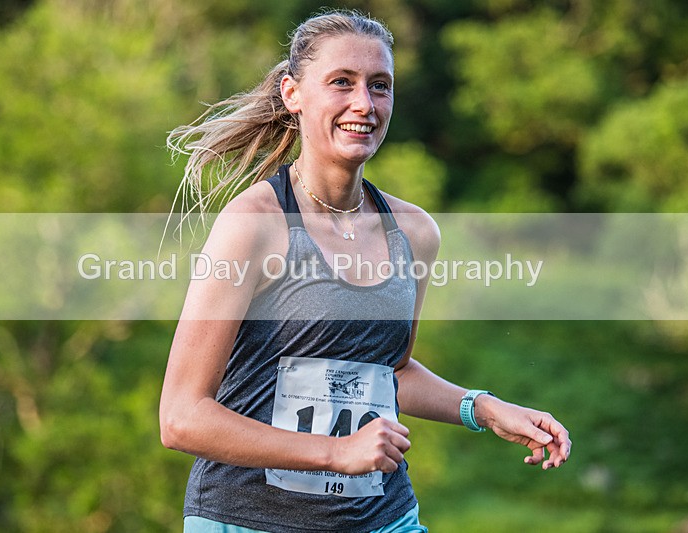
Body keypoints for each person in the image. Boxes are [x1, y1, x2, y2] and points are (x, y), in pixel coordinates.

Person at [159, 10, 571, 533]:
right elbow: (181, 417)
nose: (364, 104)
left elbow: (391, 370)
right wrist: (335, 452)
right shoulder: (254, 225)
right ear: (293, 94)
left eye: (380, 86)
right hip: (251, 520)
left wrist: (485, 409)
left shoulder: (415, 232)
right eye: (341, 83)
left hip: (383, 519)